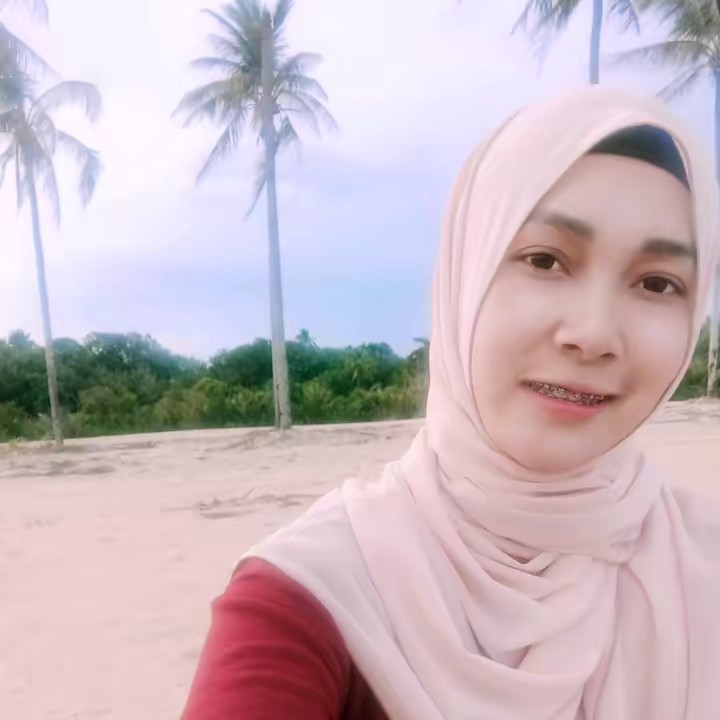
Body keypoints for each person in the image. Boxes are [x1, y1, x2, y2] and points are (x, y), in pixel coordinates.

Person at [180, 87, 720, 720]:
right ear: (464, 277)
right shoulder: (309, 598)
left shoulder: (702, 564)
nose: (595, 333)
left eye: (657, 283)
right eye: (544, 260)